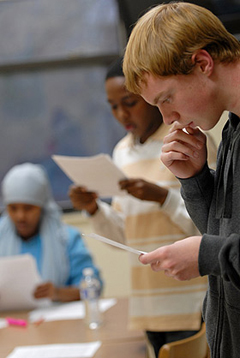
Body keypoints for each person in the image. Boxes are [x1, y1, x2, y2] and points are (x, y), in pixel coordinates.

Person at [69, 57, 217, 357]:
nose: (121, 113)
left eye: (129, 102)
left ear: (150, 97)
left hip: (193, 300)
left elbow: (214, 225)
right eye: (113, 106)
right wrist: (94, 210)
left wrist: (162, 198)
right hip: (148, 304)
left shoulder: (188, 140)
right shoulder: (122, 152)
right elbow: (127, 236)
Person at [122, 2, 240, 358]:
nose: (169, 118)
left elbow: (217, 249)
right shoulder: (234, 127)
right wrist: (197, 179)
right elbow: (224, 235)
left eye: (167, 99)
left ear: (203, 64)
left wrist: (206, 254)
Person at [0, 163, 102, 303]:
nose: (20, 216)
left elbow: (94, 287)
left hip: (57, 321)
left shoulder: (67, 238)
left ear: (42, 207)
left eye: (28, 208)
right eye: (13, 208)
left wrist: (57, 293)